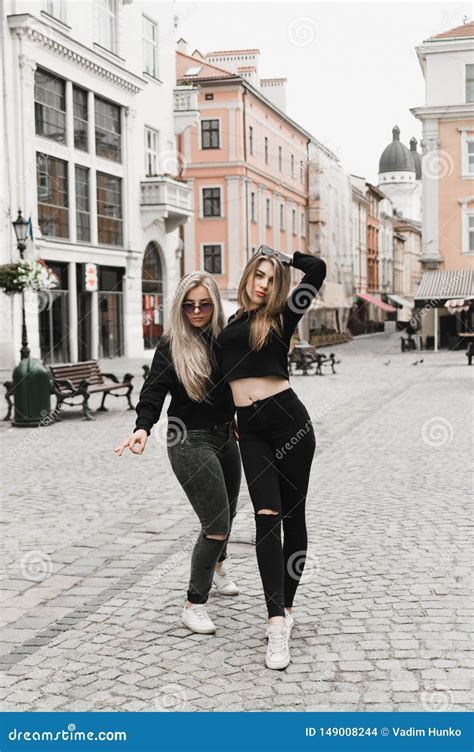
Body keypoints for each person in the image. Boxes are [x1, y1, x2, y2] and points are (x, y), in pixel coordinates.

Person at [216, 246, 327, 669]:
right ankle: (275, 621)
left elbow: (316, 269)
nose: (262, 284)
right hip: (252, 433)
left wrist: (281, 256)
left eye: (270, 278)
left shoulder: (282, 317)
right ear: (247, 277)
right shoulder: (231, 323)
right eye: (257, 275)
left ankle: (289, 610)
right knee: (266, 517)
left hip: (290, 424)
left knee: (293, 519)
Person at [114, 273, 241, 635]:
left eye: (204, 304)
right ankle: (194, 604)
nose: (196, 311)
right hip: (188, 440)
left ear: (215, 304)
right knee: (216, 524)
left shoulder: (227, 340)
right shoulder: (172, 345)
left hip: (225, 436)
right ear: (179, 307)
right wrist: (142, 427)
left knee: (229, 512)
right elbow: (153, 391)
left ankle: (218, 568)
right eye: (189, 305)